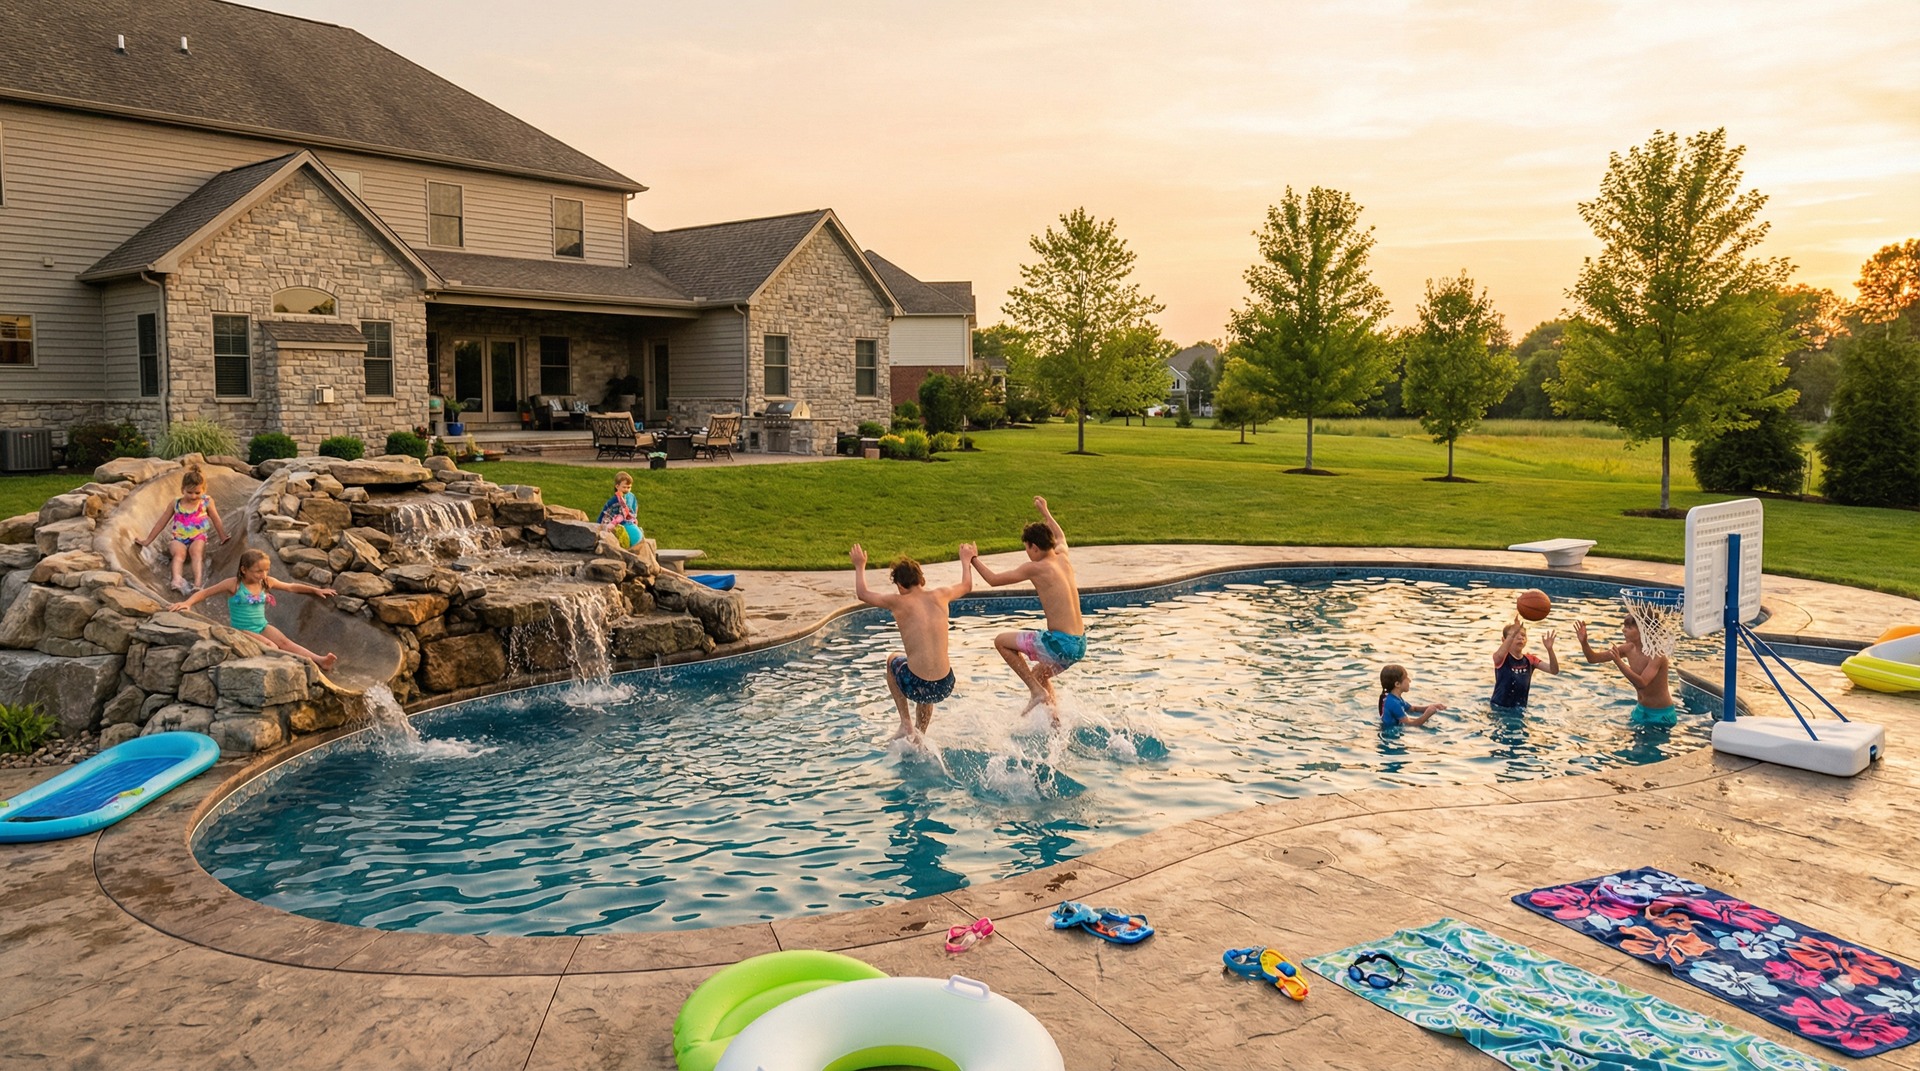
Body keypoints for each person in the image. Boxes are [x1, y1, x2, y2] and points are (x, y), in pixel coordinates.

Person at [966, 496, 1084, 720]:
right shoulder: (1063, 557)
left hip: (1060, 642)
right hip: (1079, 645)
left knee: (1001, 641)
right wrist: (1046, 512)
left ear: (1035, 547)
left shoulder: (1036, 568)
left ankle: (1036, 692)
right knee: (1039, 673)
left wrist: (972, 559)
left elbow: (993, 580)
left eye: (1027, 549)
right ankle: (1056, 724)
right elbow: (1060, 536)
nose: (1027, 553)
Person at [851, 542, 975, 741]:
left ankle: (906, 723)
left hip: (915, 683)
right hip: (945, 684)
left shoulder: (898, 602)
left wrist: (859, 565)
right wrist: (965, 560)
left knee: (893, 660)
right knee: (926, 679)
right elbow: (967, 585)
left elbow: (863, 594)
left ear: (900, 586)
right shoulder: (941, 594)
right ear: (922, 580)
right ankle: (920, 735)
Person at [171, 549, 339, 671]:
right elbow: (206, 592)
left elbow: (291, 587)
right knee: (271, 645)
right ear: (244, 569)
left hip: (262, 626)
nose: (263, 574)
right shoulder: (234, 584)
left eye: (266, 570)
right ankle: (296, 665)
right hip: (243, 629)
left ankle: (320, 660)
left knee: (285, 642)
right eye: (258, 571)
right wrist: (188, 603)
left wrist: (315, 590)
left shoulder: (266, 582)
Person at [133, 466, 229, 594]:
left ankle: (197, 584)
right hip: (179, 538)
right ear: (182, 489)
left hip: (198, 537)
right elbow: (161, 522)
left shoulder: (206, 502)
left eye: (197, 493)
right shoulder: (176, 503)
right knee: (179, 555)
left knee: (196, 553)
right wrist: (147, 541)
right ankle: (176, 580)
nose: (193, 496)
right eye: (189, 492)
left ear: (204, 490)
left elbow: (216, 519)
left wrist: (222, 536)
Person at [1575, 615, 1675, 726]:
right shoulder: (1628, 648)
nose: (1623, 630)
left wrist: (1618, 662)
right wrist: (1584, 643)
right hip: (1640, 710)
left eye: (1629, 627)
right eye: (1624, 626)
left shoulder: (1657, 655)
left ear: (1644, 631)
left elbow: (1642, 683)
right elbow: (1593, 658)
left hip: (1661, 715)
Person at [1491, 619, 1560, 709]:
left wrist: (1550, 650)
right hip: (1498, 709)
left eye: (1523, 635)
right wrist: (1512, 635)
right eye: (1515, 635)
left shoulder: (1530, 660)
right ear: (1504, 640)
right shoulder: (1501, 658)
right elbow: (1497, 655)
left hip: (1520, 710)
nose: (1520, 637)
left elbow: (1554, 670)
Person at [1378, 664, 1445, 728]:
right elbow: (1410, 724)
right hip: (1390, 734)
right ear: (1397, 684)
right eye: (1406, 678)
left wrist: (1431, 707)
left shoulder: (1394, 698)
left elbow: (1413, 709)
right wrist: (1427, 714)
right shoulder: (1394, 703)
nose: (1409, 681)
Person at [598, 471, 643, 547]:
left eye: (629, 487)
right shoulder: (614, 501)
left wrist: (633, 517)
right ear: (617, 486)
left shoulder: (631, 496)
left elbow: (634, 507)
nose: (627, 490)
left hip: (628, 522)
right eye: (624, 487)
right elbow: (607, 514)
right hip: (617, 524)